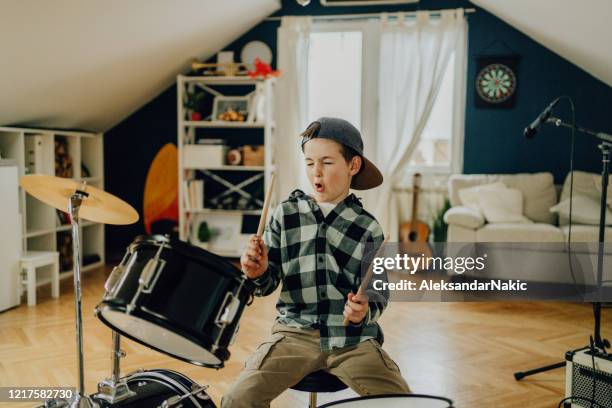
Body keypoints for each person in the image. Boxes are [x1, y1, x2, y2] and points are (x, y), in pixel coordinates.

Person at [221, 117, 410, 408]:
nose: (316, 172)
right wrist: (257, 272)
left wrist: (365, 311)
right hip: (294, 333)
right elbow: (267, 282)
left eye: (327, 162)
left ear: (353, 166)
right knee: (237, 399)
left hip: (353, 340)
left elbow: (378, 293)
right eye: (309, 163)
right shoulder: (285, 215)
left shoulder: (368, 228)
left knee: (404, 403)